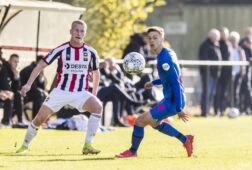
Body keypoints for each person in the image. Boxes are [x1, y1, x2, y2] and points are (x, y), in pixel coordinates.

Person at [16, 20, 103, 155]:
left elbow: (96, 72)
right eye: (76, 30)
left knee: (98, 107)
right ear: (70, 31)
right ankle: (24, 146)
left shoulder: (91, 52)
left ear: (85, 33)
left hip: (80, 92)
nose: (79, 33)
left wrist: (94, 93)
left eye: (82, 31)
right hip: (60, 91)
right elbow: (40, 66)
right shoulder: (61, 49)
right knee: (39, 119)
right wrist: (28, 84)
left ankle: (88, 145)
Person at [115, 26, 194, 158]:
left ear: (162, 39)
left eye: (155, 37)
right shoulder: (167, 53)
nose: (152, 40)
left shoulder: (165, 59)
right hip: (171, 98)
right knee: (154, 123)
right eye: (150, 38)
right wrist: (153, 83)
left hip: (173, 101)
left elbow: (176, 83)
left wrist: (179, 108)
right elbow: (167, 78)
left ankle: (133, 151)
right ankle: (185, 139)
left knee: (139, 121)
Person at [198, 29, 222, 117]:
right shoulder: (205, 45)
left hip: (215, 74)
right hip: (208, 74)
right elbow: (205, 59)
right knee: (207, 92)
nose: (218, 39)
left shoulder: (215, 45)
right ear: (211, 36)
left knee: (212, 93)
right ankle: (204, 112)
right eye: (216, 37)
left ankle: (207, 111)